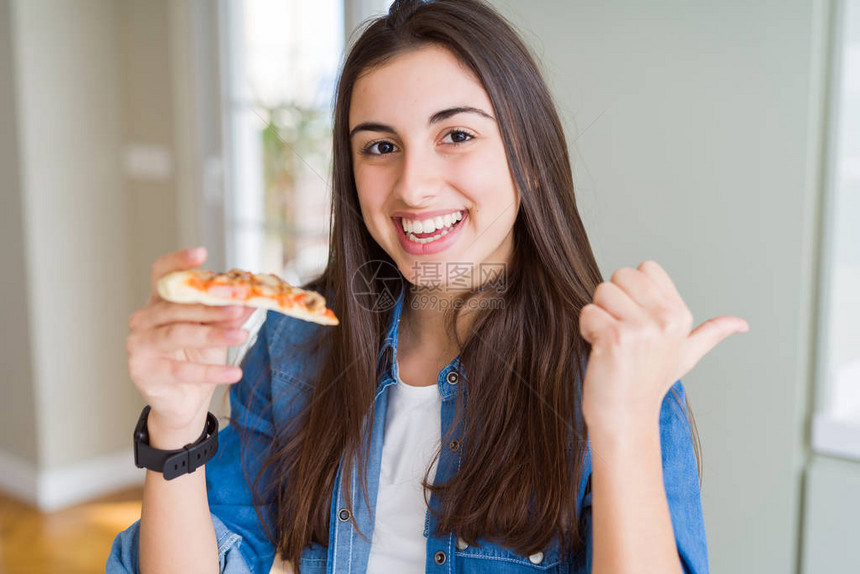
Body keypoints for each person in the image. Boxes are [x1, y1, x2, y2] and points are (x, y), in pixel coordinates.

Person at [108, 0, 748, 572]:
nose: (413, 186)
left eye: (457, 135)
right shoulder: (294, 341)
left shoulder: (617, 373)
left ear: (528, 152)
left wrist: (623, 424)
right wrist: (176, 426)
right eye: (380, 147)